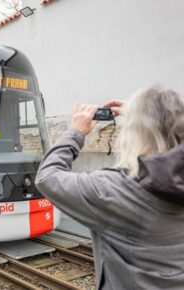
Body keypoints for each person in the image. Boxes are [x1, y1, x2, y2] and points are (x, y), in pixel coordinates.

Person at [34, 85, 184, 289]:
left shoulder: (113, 191)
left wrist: (76, 132)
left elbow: (47, 177)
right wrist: (143, 115)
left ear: (132, 134)